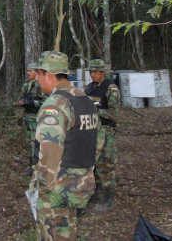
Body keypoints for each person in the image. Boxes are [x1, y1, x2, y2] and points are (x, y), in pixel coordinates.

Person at [31, 51, 98, 241]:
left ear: (48, 74)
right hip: (82, 182)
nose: (36, 78)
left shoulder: (56, 104)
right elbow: (97, 142)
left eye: (38, 73)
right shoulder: (85, 100)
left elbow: (50, 151)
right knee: (69, 230)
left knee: (52, 235)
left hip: (60, 187)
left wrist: (43, 185)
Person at [85, 59, 120, 213]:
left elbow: (114, 114)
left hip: (106, 132)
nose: (93, 75)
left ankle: (109, 198)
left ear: (102, 72)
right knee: (92, 163)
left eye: (95, 72)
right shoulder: (90, 88)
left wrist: (96, 111)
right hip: (91, 130)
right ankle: (96, 192)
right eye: (91, 72)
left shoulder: (111, 88)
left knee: (106, 164)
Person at [14, 62, 47, 177]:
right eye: (27, 71)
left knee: (36, 144)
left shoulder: (41, 85)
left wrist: (32, 102)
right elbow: (22, 97)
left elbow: (46, 102)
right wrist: (21, 103)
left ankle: (37, 168)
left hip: (37, 119)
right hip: (27, 117)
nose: (28, 73)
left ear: (36, 72)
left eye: (30, 71)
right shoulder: (27, 84)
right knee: (29, 144)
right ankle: (31, 167)